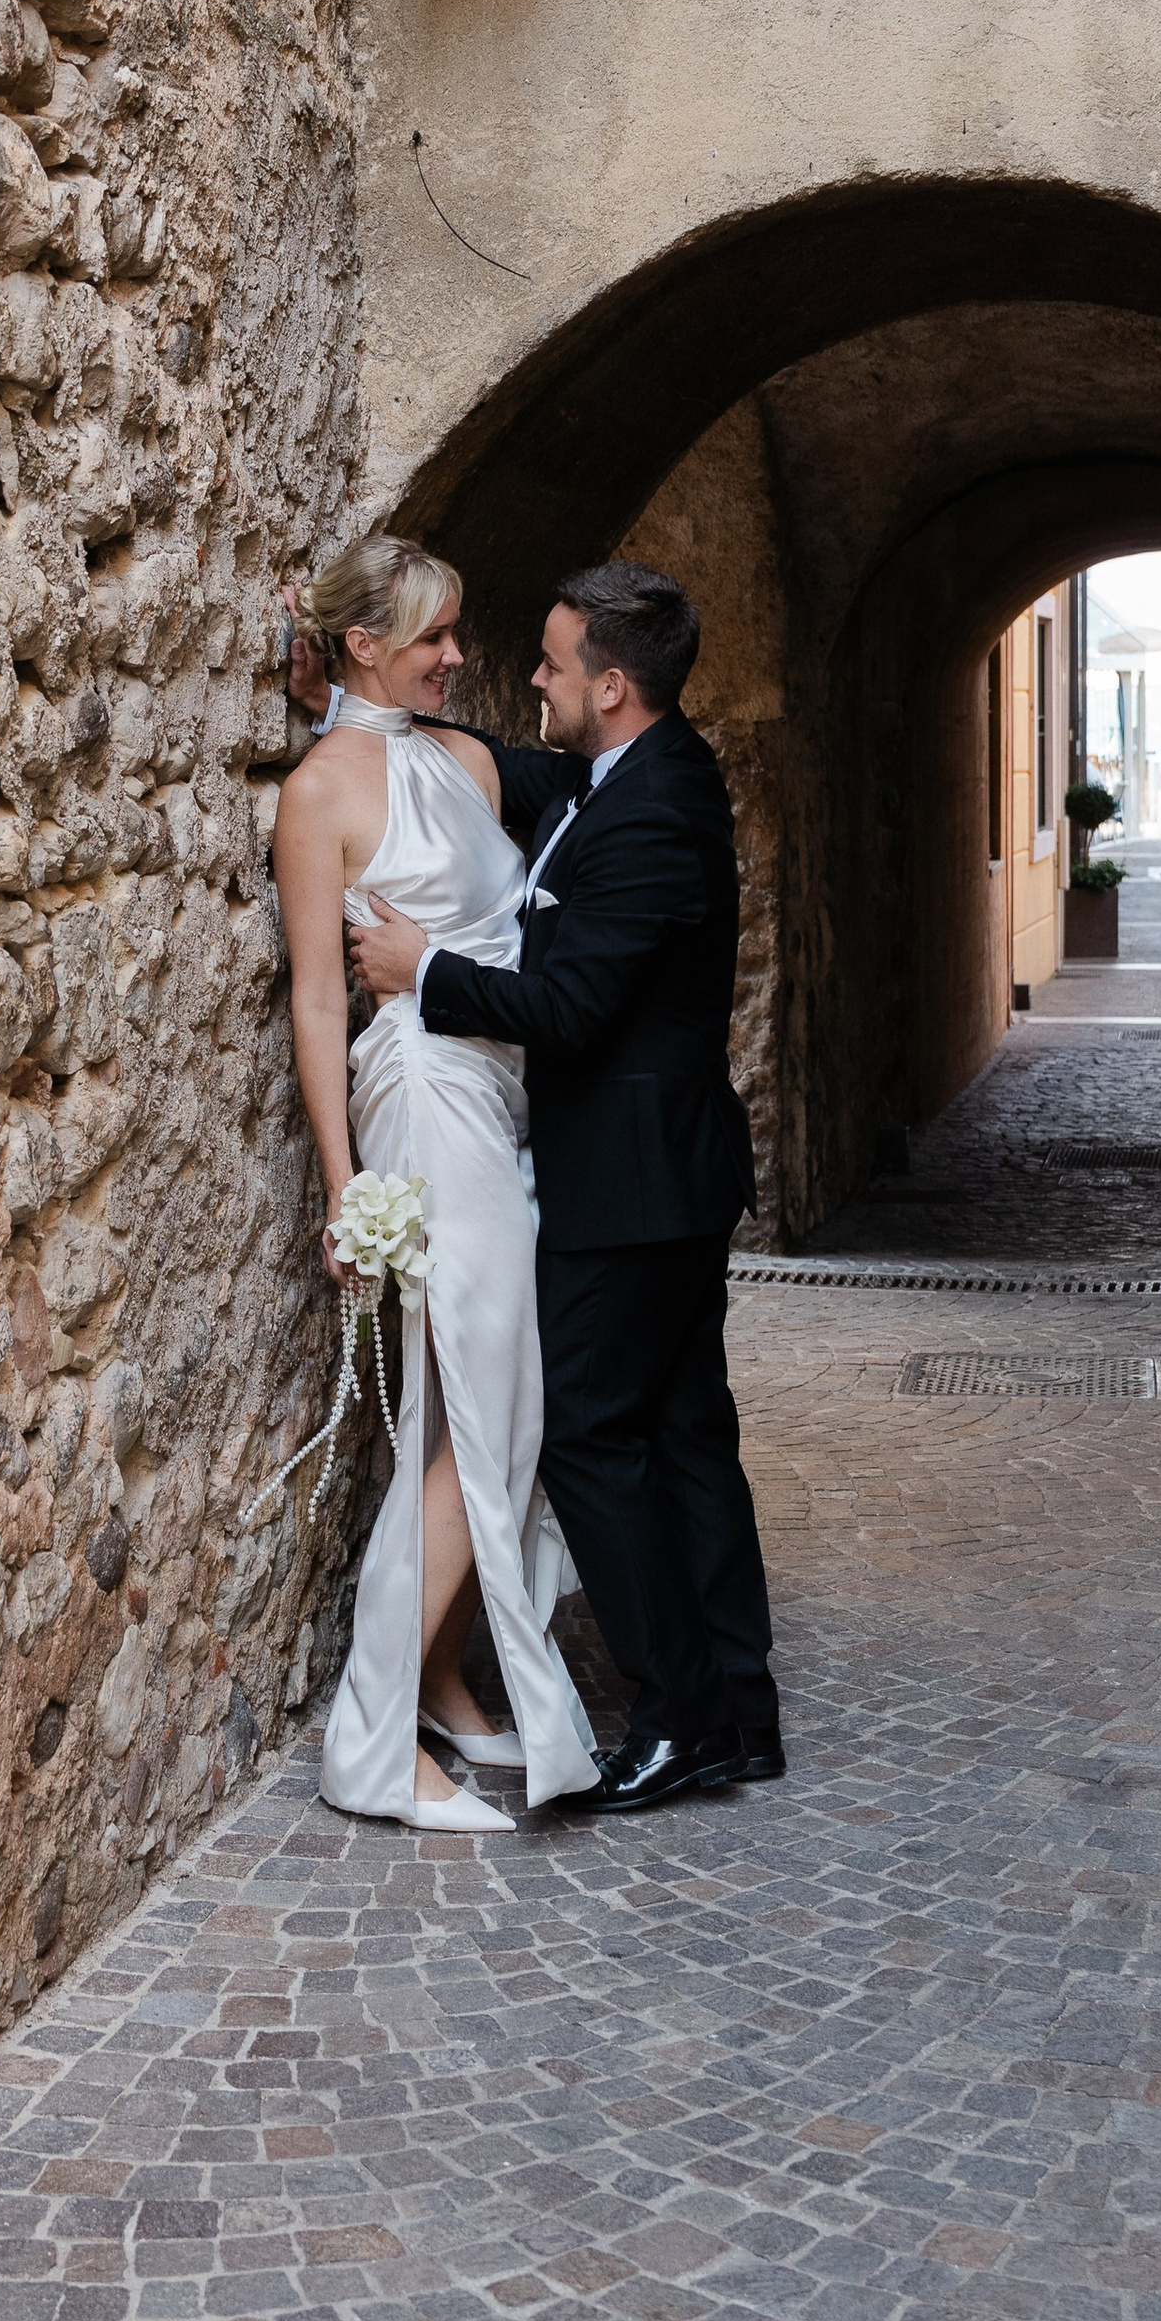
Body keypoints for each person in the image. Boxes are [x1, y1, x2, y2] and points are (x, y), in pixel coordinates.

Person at [347, 561, 783, 1814]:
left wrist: (424, 969)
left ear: (610, 684)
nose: (526, 679)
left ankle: (678, 1711)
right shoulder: (622, 775)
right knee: (690, 1436)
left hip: (631, 1185)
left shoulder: (655, 811)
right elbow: (512, 773)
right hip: (662, 1175)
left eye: (548, 664)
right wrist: (388, 710)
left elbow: (573, 1009)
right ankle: (735, 1711)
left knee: (592, 1435)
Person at [270, 536, 602, 1833]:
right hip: (420, 1096)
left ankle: (450, 1687)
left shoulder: (463, 761)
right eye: (434, 638)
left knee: (501, 1412)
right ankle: (373, 1747)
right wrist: (343, 1188)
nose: (460, 656)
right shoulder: (320, 793)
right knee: (477, 1415)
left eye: (459, 633)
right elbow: (312, 998)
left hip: (502, 1095)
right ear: (362, 646)